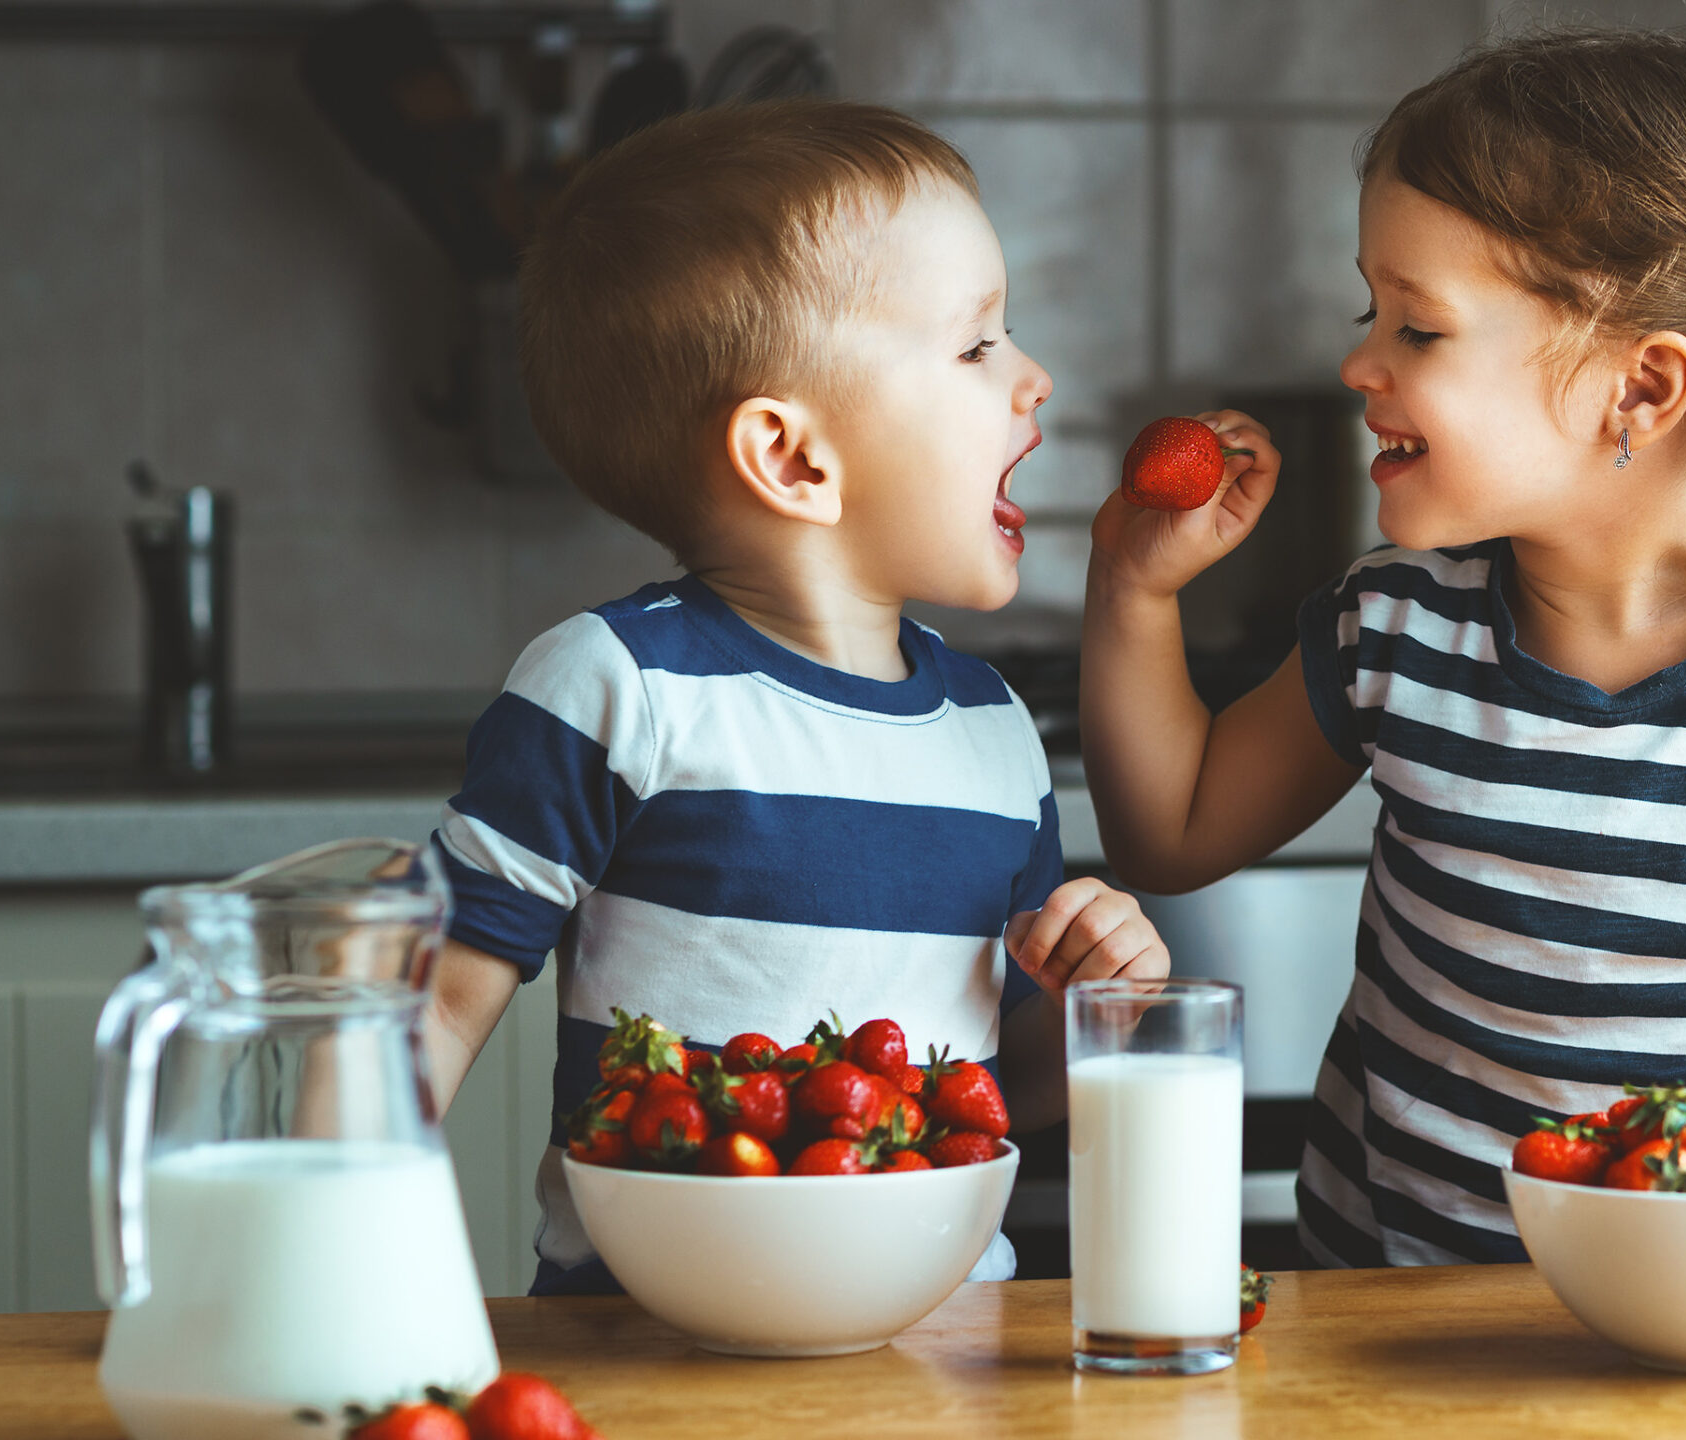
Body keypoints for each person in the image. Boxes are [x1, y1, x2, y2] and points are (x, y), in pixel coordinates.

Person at [1080, 29, 1686, 1268]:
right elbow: (1168, 833)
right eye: (1371, 310)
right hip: (1388, 1317)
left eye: (1419, 328)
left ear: (1642, 387)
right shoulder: (1396, 624)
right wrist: (1134, 594)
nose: (1359, 362)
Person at [421, 102, 1168, 1294]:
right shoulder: (617, 691)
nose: (1033, 379)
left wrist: (1099, 1016)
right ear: (793, 460)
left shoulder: (991, 733)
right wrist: (320, 1259)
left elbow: (995, 1089)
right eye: (976, 347)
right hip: (648, 1356)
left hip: (945, 1351)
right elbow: (434, 1005)